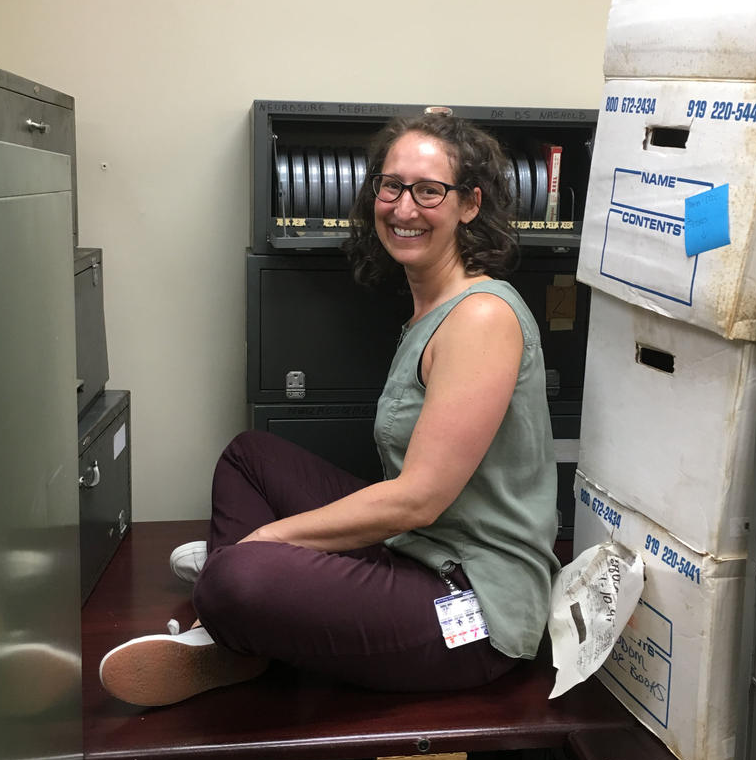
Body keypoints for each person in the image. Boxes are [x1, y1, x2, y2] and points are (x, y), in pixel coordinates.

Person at [99, 112, 558, 706]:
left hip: (471, 607)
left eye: (428, 190)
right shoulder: (434, 304)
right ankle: (237, 620)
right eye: (391, 186)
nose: (403, 208)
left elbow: (418, 499)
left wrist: (266, 541)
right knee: (249, 458)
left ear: (469, 205)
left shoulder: (481, 317)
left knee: (239, 574)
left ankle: (229, 607)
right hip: (417, 552)